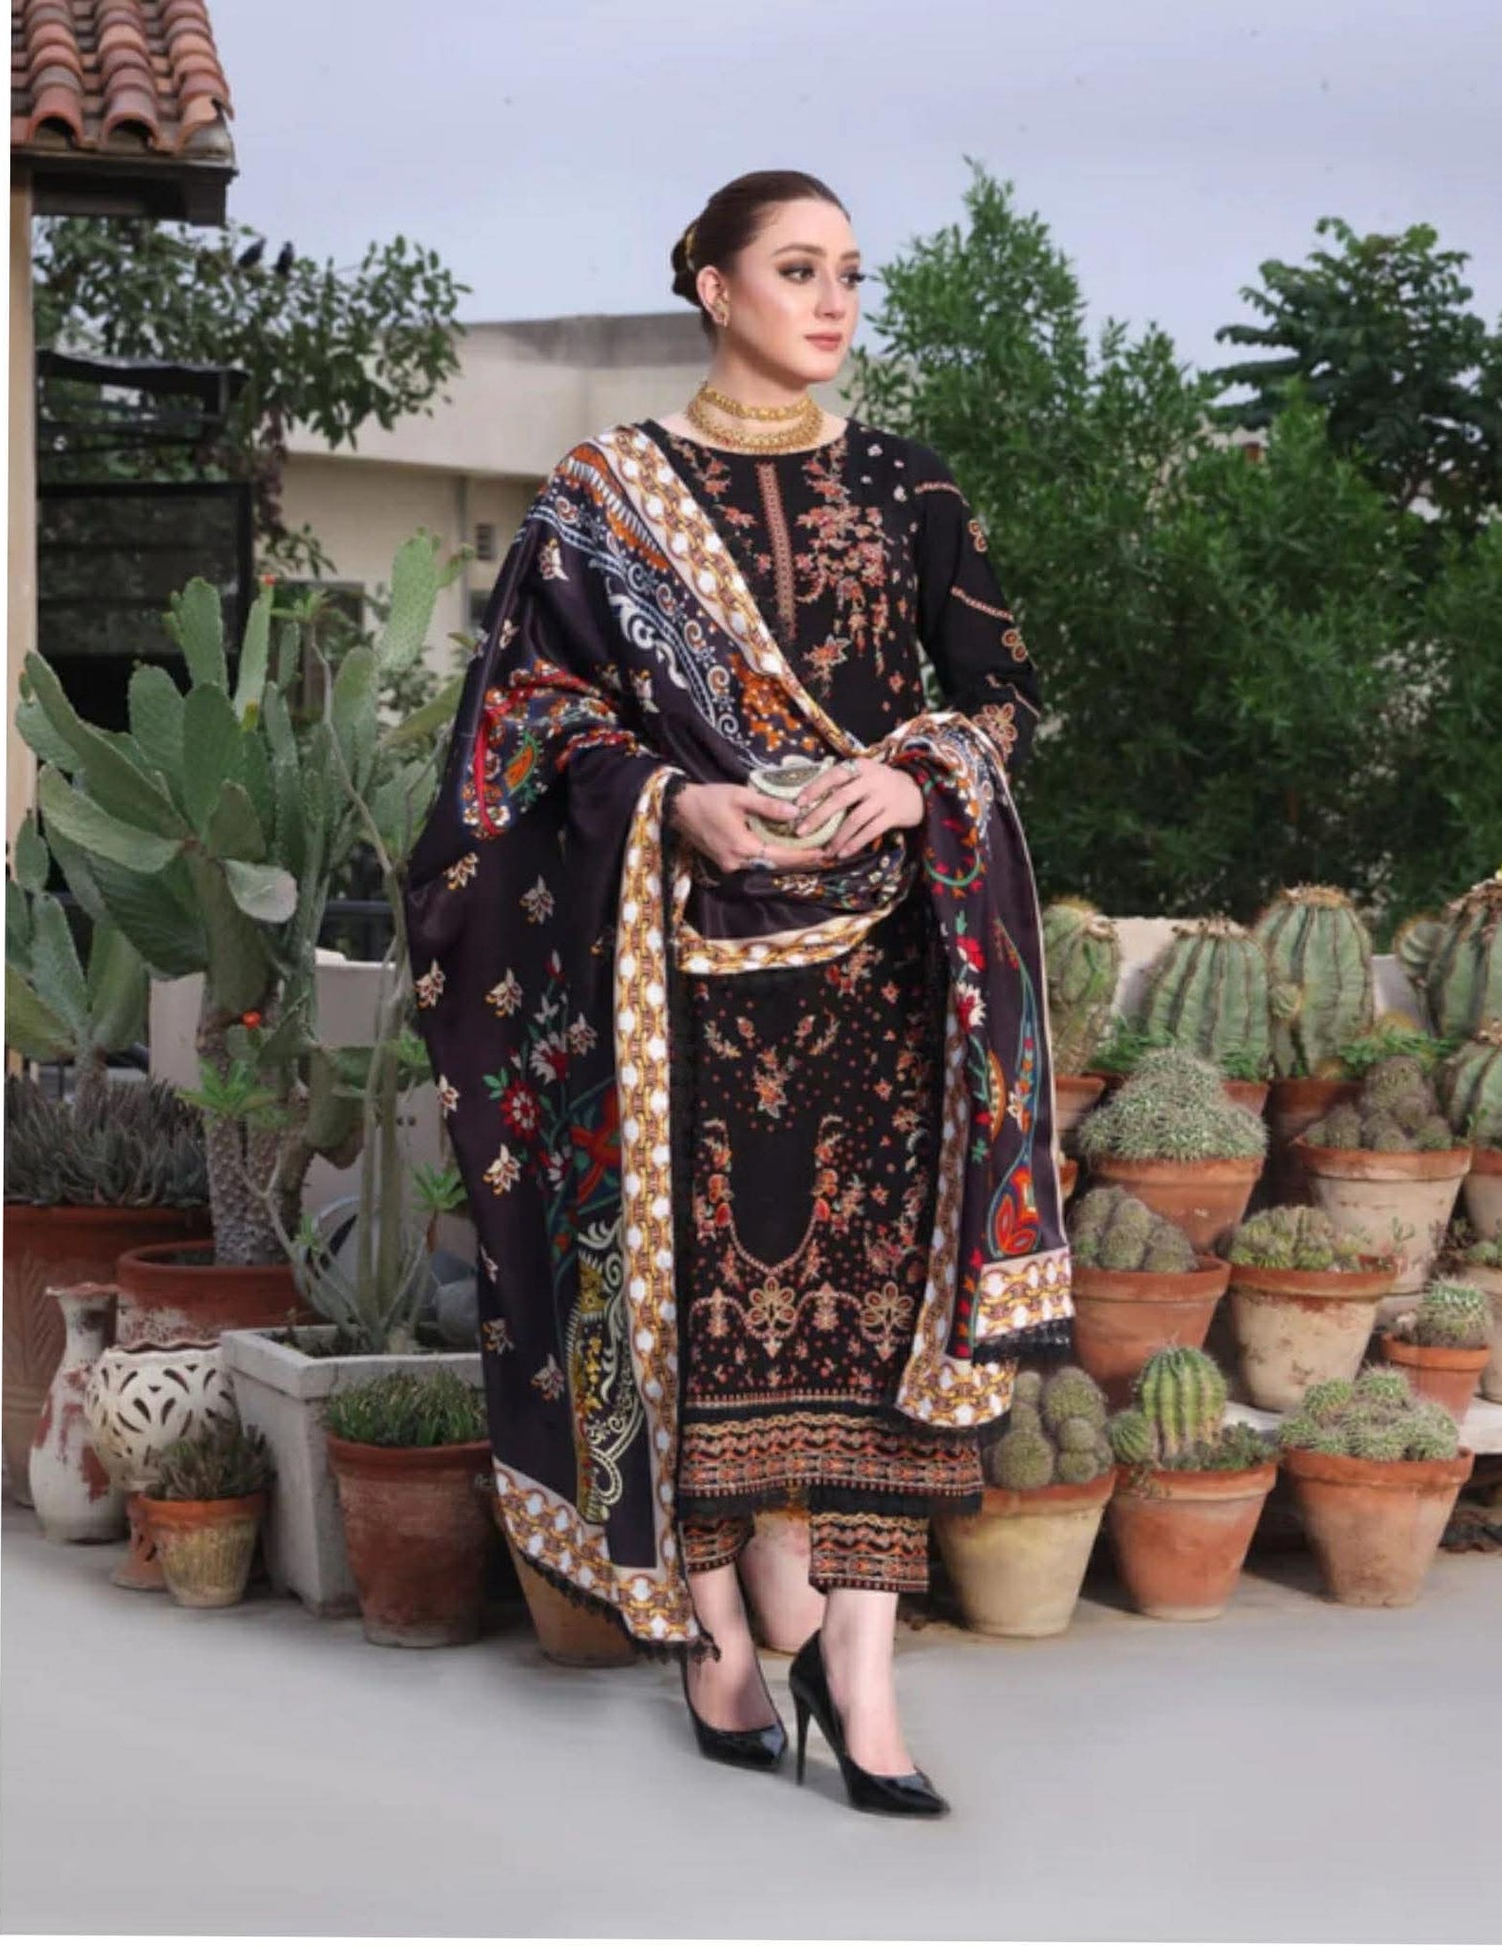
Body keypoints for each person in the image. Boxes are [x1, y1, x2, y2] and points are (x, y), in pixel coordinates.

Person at [404, 170, 1073, 1818]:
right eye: (796, 268)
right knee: (694, 1313)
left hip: (886, 972)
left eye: (849, 273)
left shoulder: (908, 485)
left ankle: (859, 1672)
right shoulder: (602, 498)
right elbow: (525, 713)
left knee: (879, 1326)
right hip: (679, 972)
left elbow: (999, 693)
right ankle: (716, 1638)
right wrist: (662, 791)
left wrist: (919, 774)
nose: (832, 301)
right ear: (711, 285)